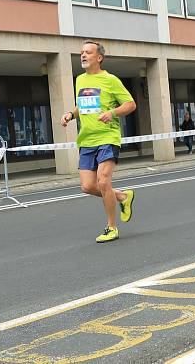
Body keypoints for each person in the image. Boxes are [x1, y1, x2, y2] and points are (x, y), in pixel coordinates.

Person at [61, 41, 137, 243]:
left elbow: (130, 104)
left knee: (103, 181)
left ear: (99, 57)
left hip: (107, 137)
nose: (83, 55)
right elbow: (82, 105)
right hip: (86, 139)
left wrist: (112, 113)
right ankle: (122, 197)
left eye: (88, 52)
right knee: (87, 186)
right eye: (81, 52)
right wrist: (71, 114)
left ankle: (111, 227)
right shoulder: (80, 80)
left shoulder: (110, 80)